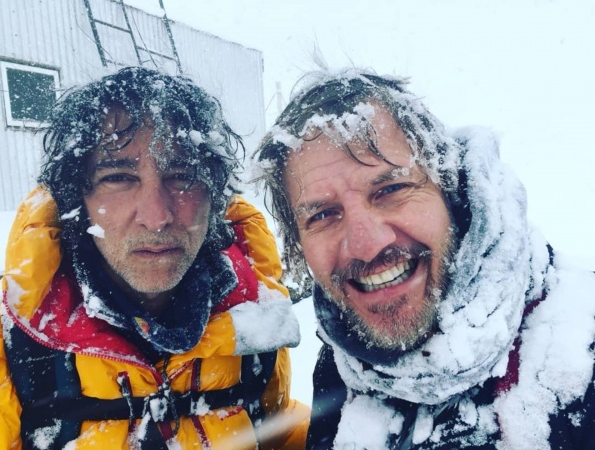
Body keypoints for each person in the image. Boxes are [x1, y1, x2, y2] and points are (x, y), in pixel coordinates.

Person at [255, 69, 595, 449]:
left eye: (391, 189)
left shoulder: (581, 347)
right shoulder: (339, 366)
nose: (367, 245)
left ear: (448, 189)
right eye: (322, 215)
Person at [0, 66, 309, 449]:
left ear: (214, 196)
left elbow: (277, 429)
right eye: (119, 178)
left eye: (182, 175)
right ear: (78, 198)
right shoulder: (11, 343)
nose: (157, 217)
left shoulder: (251, 316)